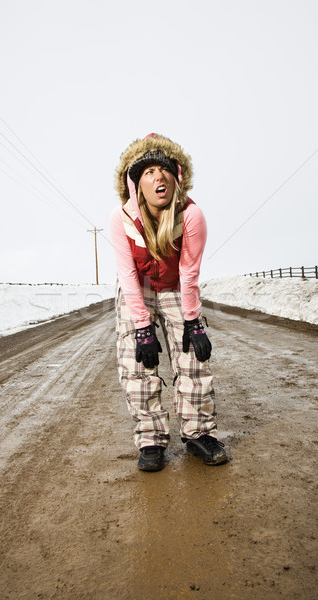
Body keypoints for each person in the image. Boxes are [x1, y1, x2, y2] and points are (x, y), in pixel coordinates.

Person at [110, 133, 227, 472]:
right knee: (137, 361)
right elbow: (128, 276)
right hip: (140, 288)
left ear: (176, 178)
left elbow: (189, 273)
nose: (157, 176)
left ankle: (198, 433)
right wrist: (143, 329)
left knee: (193, 356)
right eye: (147, 171)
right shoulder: (121, 219)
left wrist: (192, 322)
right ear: (135, 185)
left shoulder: (191, 215)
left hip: (177, 287)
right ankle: (150, 437)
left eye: (164, 169)